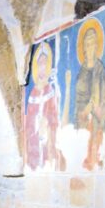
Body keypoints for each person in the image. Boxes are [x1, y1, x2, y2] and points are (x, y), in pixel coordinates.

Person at [74, 18, 105, 171]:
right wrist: (82, 113)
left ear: (97, 46)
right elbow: (78, 100)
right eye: (87, 44)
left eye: (93, 43)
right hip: (82, 120)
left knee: (94, 151)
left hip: (96, 119)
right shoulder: (81, 72)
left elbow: (102, 96)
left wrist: (94, 108)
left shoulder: (99, 68)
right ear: (83, 48)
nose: (90, 47)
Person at [25, 42, 64, 171]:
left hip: (47, 141)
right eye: (40, 64)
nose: (42, 67)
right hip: (33, 142)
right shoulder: (33, 93)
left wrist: (47, 122)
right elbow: (28, 122)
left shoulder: (50, 90)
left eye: (45, 64)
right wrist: (36, 124)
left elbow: (54, 117)